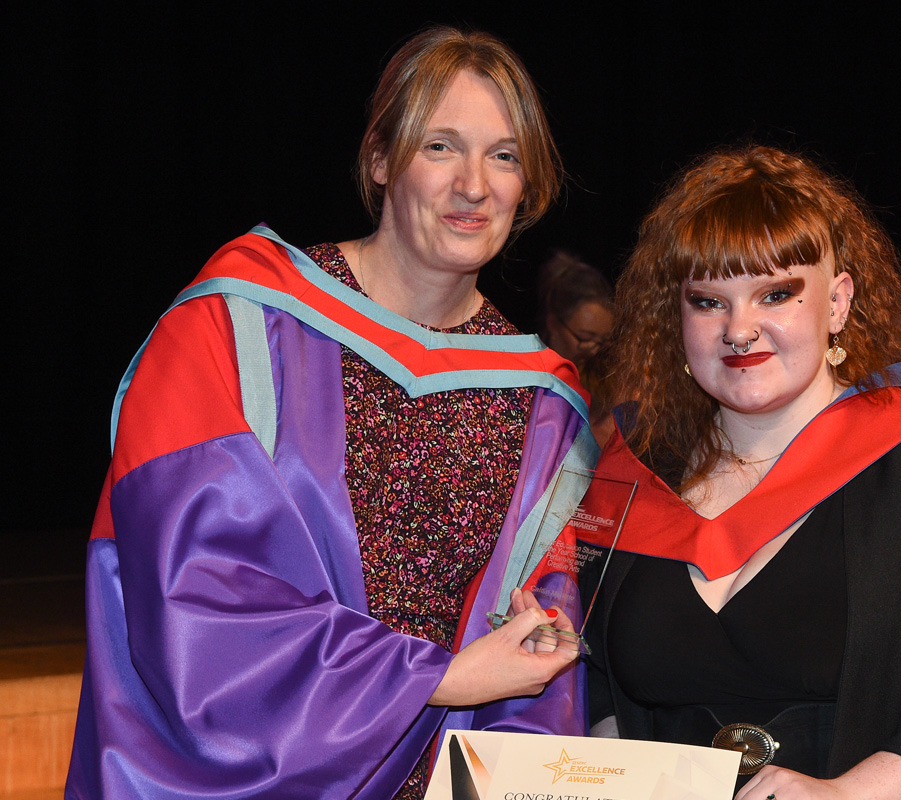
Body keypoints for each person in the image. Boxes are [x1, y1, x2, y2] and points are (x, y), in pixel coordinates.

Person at [66, 27, 596, 800]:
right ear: (381, 160)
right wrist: (437, 678)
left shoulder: (541, 401)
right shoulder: (239, 325)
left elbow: (539, 657)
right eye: (440, 146)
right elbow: (191, 600)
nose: (475, 186)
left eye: (505, 156)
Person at [582, 145, 901, 798]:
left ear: (837, 303)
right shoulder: (633, 481)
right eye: (708, 301)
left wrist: (849, 792)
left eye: (776, 293)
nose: (739, 330)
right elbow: (594, 686)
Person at [537, 250, 615, 384]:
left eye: (603, 342)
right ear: (553, 324)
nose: (594, 351)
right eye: (585, 338)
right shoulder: (532, 377)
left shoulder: (607, 384)